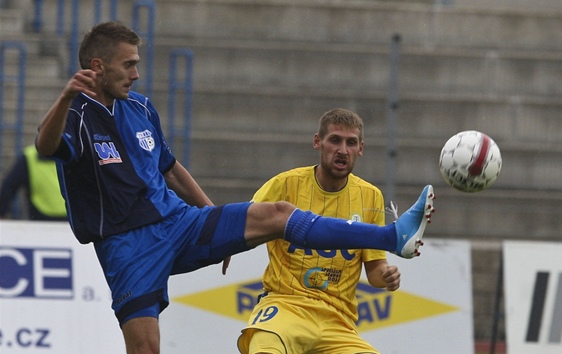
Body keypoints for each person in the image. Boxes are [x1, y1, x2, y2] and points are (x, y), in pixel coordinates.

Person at [34, 21, 435, 354]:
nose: (137, 73)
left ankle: (391, 234)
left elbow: (170, 169)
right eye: (129, 65)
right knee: (146, 351)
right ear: (98, 66)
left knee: (278, 213)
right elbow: (45, 146)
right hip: (127, 245)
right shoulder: (75, 114)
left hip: (178, 223)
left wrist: (212, 217)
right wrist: (67, 95)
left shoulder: (140, 107)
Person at [238, 108, 407, 354]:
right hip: (286, 305)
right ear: (318, 142)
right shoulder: (285, 185)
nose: (343, 150)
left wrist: (388, 276)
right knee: (265, 348)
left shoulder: (370, 196)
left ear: (360, 148)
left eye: (351, 143)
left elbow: (374, 273)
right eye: (335, 140)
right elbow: (244, 222)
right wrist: (224, 245)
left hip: (338, 320)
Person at [0, 144, 67, 221]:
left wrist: (2, 212)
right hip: (71, 219)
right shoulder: (75, 153)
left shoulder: (29, 156)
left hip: (39, 221)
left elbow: (9, 186)